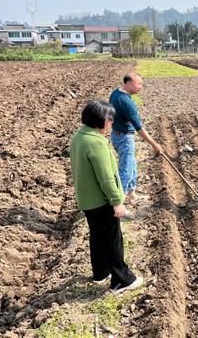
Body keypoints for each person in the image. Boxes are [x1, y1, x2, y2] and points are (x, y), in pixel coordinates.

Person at [70, 100, 143, 293]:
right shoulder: (96, 143)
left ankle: (100, 273)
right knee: (112, 239)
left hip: (87, 200)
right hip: (101, 201)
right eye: (109, 120)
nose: (111, 123)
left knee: (98, 236)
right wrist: (116, 202)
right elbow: (106, 178)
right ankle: (122, 280)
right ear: (99, 120)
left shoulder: (79, 137)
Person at [109, 72, 163, 205]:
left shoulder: (116, 93)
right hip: (124, 138)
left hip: (117, 135)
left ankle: (132, 195)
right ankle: (118, 205)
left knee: (131, 166)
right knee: (125, 170)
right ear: (128, 83)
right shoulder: (127, 102)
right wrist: (154, 145)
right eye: (138, 84)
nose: (141, 87)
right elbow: (140, 129)